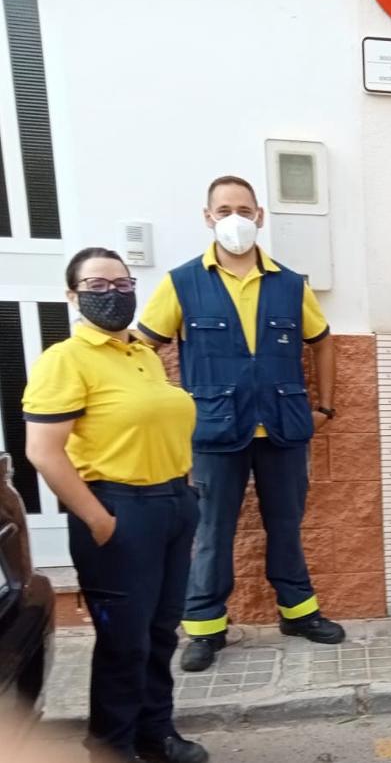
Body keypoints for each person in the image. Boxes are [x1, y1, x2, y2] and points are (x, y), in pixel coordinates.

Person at [137, 175, 345, 672]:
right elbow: (143, 346)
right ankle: (206, 628)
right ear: (208, 217)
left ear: (260, 217)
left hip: (283, 428)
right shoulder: (182, 282)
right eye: (224, 209)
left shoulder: (291, 283)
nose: (236, 218)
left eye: (244, 209)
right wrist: (167, 407)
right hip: (213, 433)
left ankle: (298, 612)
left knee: (287, 527)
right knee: (211, 531)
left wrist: (326, 406)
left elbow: (322, 341)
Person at [24, 248, 208, 762]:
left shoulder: (144, 353)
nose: (113, 294)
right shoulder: (64, 360)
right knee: (124, 642)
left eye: (122, 284)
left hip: (171, 503)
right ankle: (111, 745)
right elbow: (43, 451)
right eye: (97, 285)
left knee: (160, 632)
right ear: (72, 295)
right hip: (118, 511)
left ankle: (156, 733)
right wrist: (98, 518)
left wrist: (184, 490)